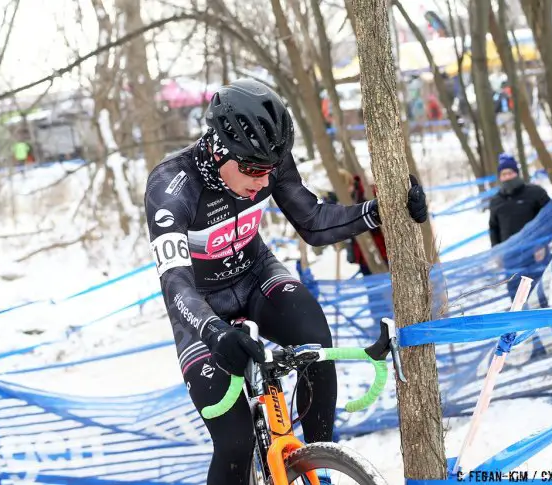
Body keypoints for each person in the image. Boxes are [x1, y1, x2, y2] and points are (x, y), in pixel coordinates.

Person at [144, 78, 428, 485]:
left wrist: (382, 211)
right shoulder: (172, 186)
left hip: (255, 275)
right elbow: (175, 282)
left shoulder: (269, 161)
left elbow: (312, 221)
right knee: (235, 444)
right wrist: (214, 332)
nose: (262, 181)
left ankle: (320, 469)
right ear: (219, 146)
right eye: (252, 169)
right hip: (201, 307)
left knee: (313, 336)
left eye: (269, 170)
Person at [489, 153, 552, 352]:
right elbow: (493, 228)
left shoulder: (535, 193)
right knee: (517, 302)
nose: (507, 176)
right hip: (511, 259)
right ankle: (535, 345)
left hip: (535, 255)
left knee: (539, 298)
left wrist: (542, 244)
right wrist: (497, 253)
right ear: (499, 177)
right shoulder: (496, 201)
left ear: (517, 173)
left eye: (510, 172)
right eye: (503, 174)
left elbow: (551, 218)